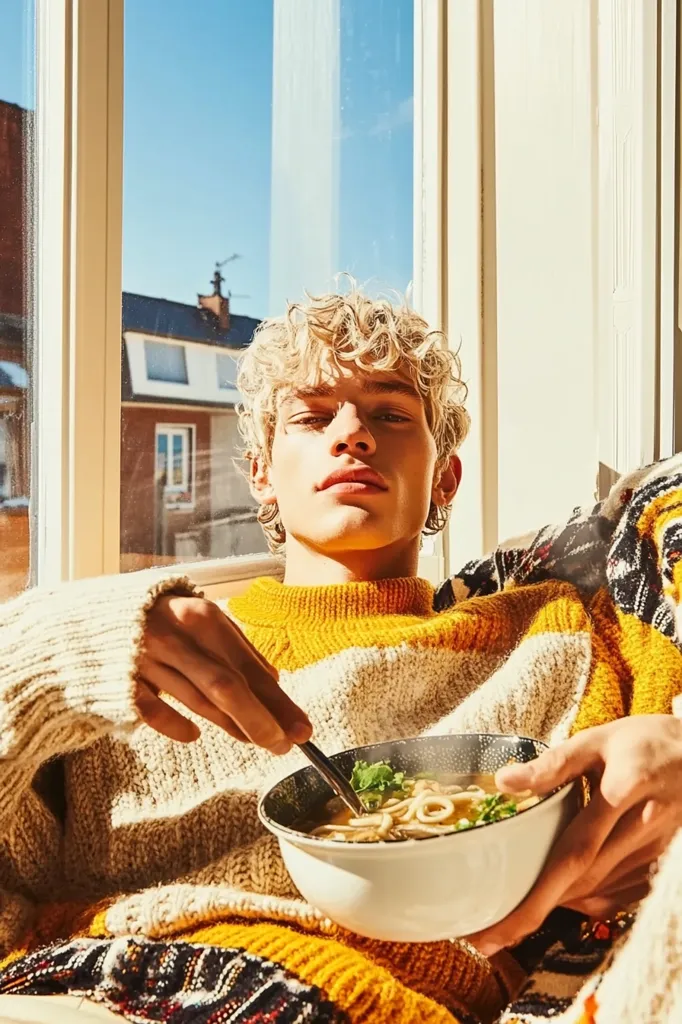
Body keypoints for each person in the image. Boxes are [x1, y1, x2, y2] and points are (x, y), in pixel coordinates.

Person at [1, 288, 682, 1024]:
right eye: (312, 416)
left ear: (444, 480)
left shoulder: (553, 633)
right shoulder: (134, 661)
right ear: (261, 472)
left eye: (390, 415)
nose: (352, 434)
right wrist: (57, 653)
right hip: (93, 982)